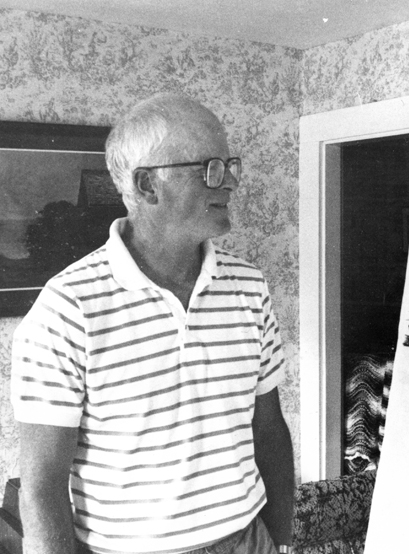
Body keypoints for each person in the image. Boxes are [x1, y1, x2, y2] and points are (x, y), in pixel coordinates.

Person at [11, 93, 295, 554]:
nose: (229, 184)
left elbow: (270, 429)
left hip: (249, 540)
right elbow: (41, 488)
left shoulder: (248, 285)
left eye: (229, 166)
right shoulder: (67, 308)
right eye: (209, 169)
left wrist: (281, 540)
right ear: (147, 186)